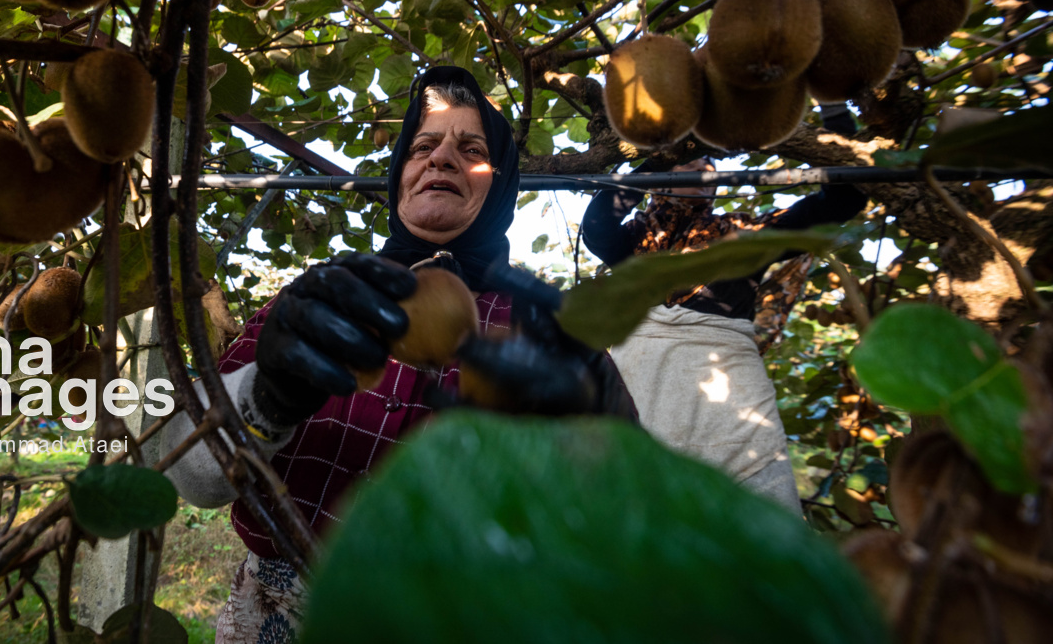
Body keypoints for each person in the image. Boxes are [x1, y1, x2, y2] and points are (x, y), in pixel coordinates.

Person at [164, 65, 632, 643]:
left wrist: (607, 432)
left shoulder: (546, 325)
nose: (441, 160)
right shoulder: (318, 299)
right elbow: (193, 477)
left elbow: (623, 515)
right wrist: (266, 393)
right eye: (423, 147)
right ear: (399, 175)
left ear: (501, 182)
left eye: (472, 149)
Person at [581, 154, 868, 513]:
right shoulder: (633, 241)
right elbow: (596, 225)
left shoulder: (744, 237)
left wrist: (834, 118)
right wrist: (656, 162)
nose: (705, 171)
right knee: (652, 502)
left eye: (710, 166)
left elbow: (840, 203)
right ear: (661, 179)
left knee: (762, 499)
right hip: (647, 378)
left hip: (731, 385)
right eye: (689, 162)